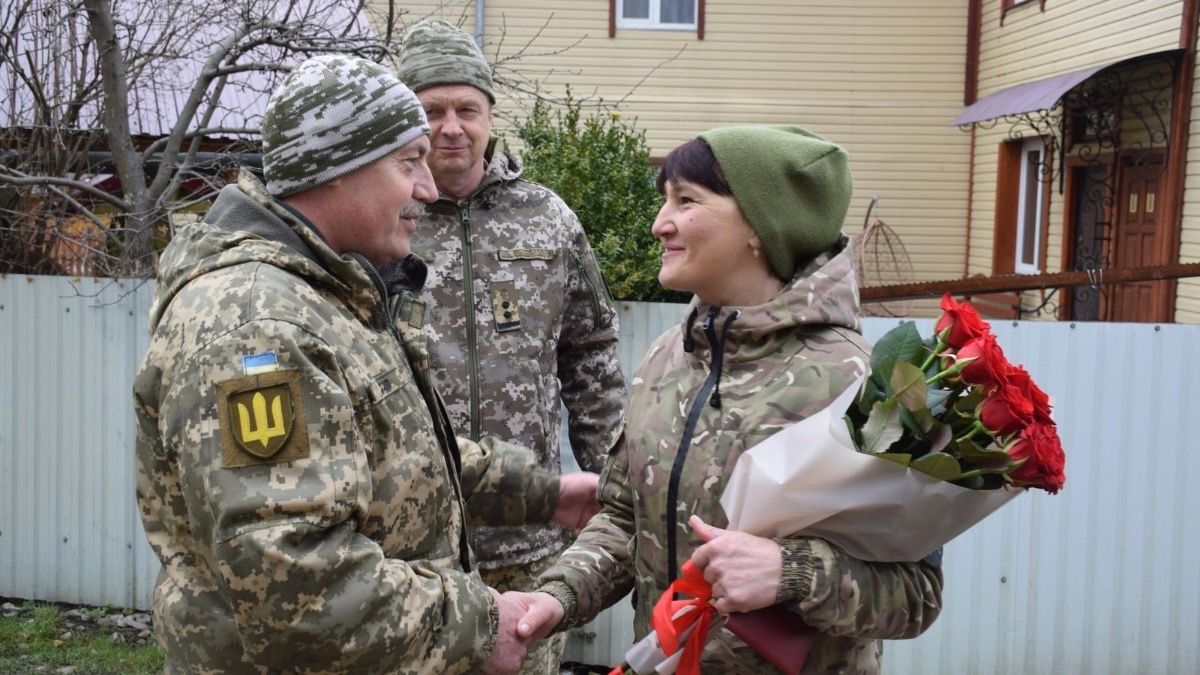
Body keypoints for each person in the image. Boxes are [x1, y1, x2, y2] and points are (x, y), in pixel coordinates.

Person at [133, 54, 599, 674]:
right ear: (334, 168)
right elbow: (297, 586)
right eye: (409, 162)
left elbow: (395, 454)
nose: (427, 188)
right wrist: (480, 624)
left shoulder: (329, 292)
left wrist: (544, 493)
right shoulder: (258, 327)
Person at [514, 126, 944, 673]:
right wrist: (555, 597)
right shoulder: (668, 356)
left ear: (760, 227)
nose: (659, 223)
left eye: (686, 200)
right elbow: (624, 518)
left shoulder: (859, 382)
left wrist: (791, 573)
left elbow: (916, 593)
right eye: (665, 200)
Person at [396, 19, 628, 673]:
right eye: (431, 111)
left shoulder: (547, 218)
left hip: (531, 538)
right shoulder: (383, 221)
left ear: (490, 116)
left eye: (467, 109)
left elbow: (591, 360)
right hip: (413, 546)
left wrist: (617, 497)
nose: (451, 127)